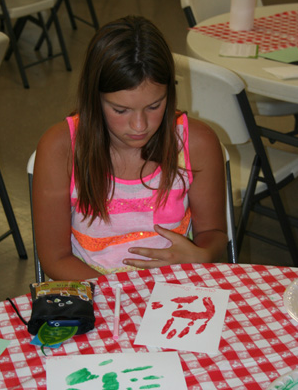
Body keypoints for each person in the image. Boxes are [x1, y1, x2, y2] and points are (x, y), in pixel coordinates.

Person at [33, 15, 227, 280]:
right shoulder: (61, 149)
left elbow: (213, 234)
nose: (139, 125)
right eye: (120, 110)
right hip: (93, 289)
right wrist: (118, 295)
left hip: (175, 284)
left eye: (154, 106)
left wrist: (202, 255)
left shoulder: (197, 143)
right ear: (95, 100)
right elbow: (55, 258)